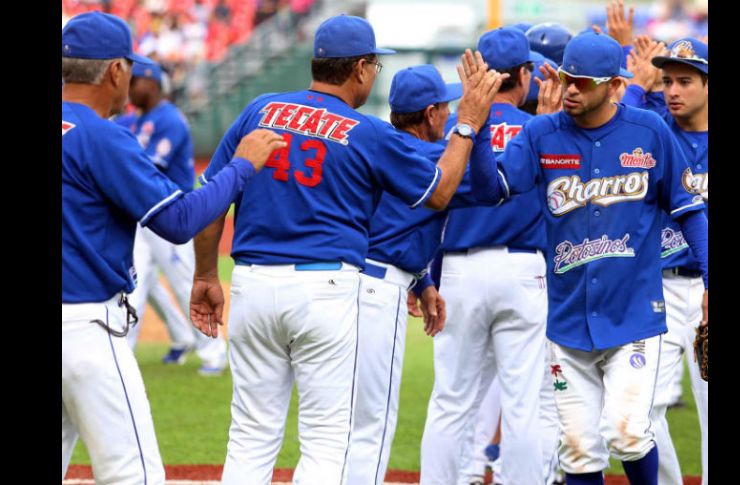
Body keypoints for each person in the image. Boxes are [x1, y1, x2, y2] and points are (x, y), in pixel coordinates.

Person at [190, 14, 506, 485]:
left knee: (251, 435)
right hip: (326, 288)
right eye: (374, 66)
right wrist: (466, 127)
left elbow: (211, 201)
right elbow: (441, 193)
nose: (373, 74)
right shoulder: (365, 130)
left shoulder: (260, 108)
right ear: (360, 68)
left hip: (252, 283)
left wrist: (206, 275)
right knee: (327, 441)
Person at [470, 31, 709, 485]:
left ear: (615, 85)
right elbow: (489, 189)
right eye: (567, 78)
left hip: (635, 314)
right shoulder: (541, 132)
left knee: (629, 434)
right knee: (578, 451)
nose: (571, 89)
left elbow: (689, 212)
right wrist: (478, 129)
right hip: (568, 319)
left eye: (583, 81)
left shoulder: (649, 131)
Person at [62, 11, 286, 484]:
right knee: (134, 474)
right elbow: (179, 220)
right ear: (115, 71)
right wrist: (241, 167)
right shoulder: (101, 136)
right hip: (84, 327)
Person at [345, 63, 507, 485]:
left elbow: (387, 226)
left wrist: (424, 280)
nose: (451, 113)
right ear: (433, 113)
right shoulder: (435, 156)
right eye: (447, 106)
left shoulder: (378, 146)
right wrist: (478, 125)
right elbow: (490, 190)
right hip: (376, 293)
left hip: (347, 281)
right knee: (370, 427)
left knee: (340, 422)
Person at [419, 26, 557, 485]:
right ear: (524, 75)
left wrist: (428, 279)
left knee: (451, 400)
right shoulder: (541, 131)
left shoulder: (456, 134)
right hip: (524, 269)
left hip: (459, 269)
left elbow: (431, 213)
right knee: (522, 404)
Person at [118, 61, 228, 375]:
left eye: (136, 81)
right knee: (135, 285)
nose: (130, 86)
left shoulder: (169, 119)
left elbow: (148, 166)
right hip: (141, 218)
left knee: (185, 283)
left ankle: (214, 351)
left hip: (173, 216)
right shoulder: (131, 120)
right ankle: (156, 345)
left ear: (153, 84)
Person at [649, 37, 709, 485]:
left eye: (685, 81)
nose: (673, 90)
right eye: (667, 80)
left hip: (707, 288)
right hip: (659, 288)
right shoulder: (651, 136)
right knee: (640, 415)